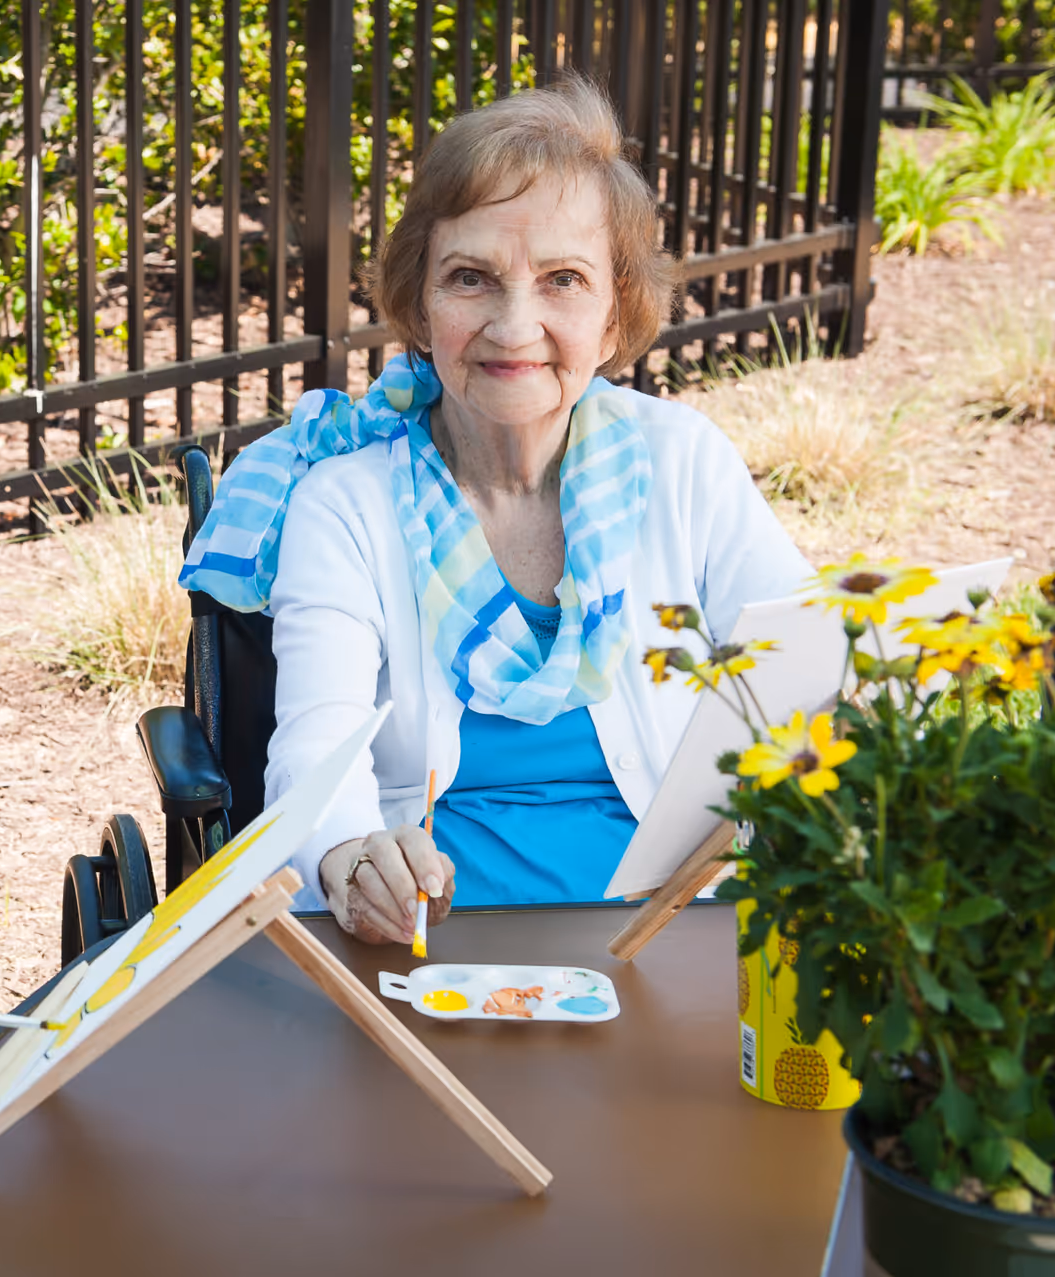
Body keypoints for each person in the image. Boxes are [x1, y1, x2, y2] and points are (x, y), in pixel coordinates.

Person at [180, 78, 810, 945]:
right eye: (471, 278)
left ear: (617, 309)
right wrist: (356, 859)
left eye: (563, 280)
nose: (515, 328)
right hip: (436, 958)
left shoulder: (681, 462)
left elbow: (807, 669)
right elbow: (314, 755)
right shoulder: (346, 502)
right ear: (420, 300)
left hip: (678, 943)